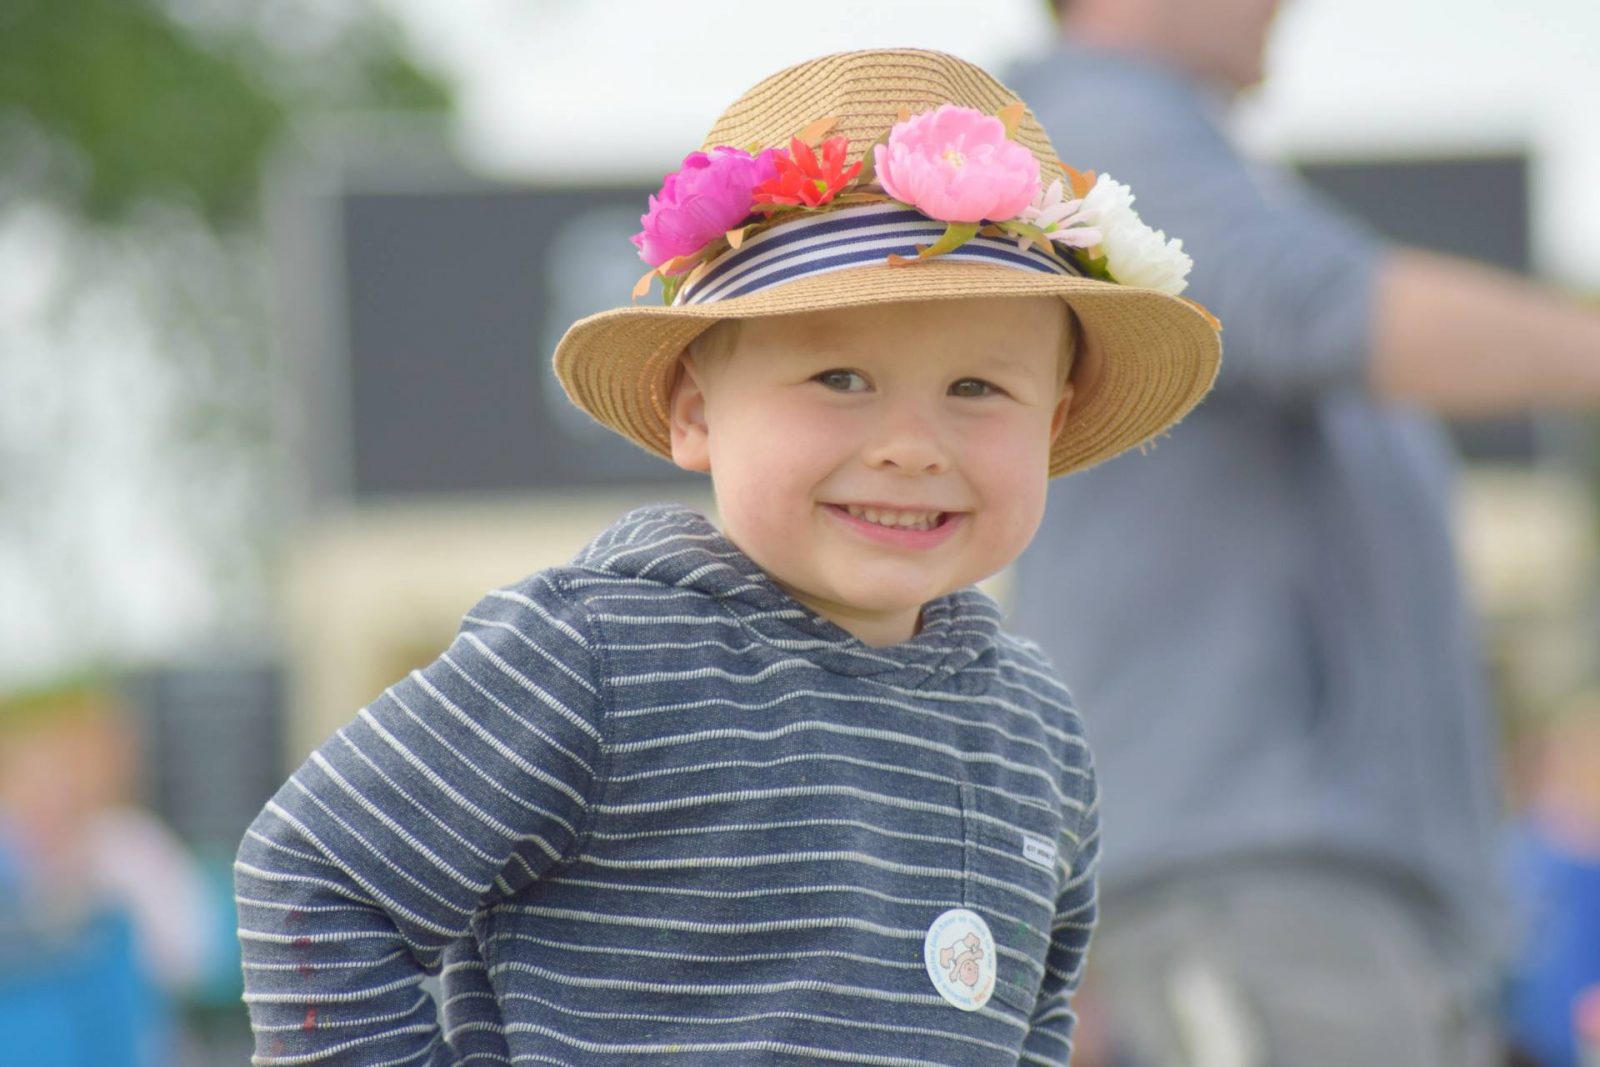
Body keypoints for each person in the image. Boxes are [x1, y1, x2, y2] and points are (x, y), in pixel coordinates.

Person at [233, 47, 1223, 1066]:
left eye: (977, 389)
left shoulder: (1036, 730)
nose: (911, 443)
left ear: (1054, 424)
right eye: (840, 376)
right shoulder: (596, 657)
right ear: (695, 410)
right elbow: (318, 872)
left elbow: (1033, 1025)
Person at [1004, 3, 1600, 1065]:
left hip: (1307, 889)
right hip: (1260, 880)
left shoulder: (1166, 140)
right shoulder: (1099, 120)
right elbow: (1323, 305)